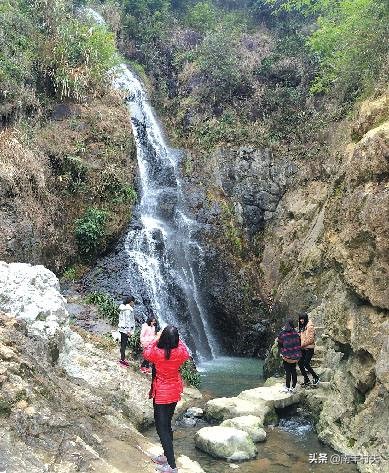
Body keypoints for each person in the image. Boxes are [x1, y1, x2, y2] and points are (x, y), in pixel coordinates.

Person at [143, 325, 190, 473]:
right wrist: (176, 339)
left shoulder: (157, 353)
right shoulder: (180, 352)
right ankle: (166, 456)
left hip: (162, 393)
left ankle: (172, 466)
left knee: (161, 427)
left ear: (163, 338)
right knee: (167, 425)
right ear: (176, 340)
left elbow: (146, 353)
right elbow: (185, 351)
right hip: (175, 391)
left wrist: (156, 339)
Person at [277, 319, 302, 393]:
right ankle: (293, 387)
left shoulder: (282, 333)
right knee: (293, 370)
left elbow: (280, 344)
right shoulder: (296, 333)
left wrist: (281, 352)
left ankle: (287, 387)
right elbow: (299, 343)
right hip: (295, 356)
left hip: (287, 356)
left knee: (288, 371)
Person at [298, 313, 320, 387]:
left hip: (309, 348)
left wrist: (301, 345)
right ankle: (306, 379)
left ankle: (316, 377)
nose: (301, 320)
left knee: (306, 364)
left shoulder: (310, 327)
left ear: (306, 319)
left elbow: (311, 339)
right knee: (300, 363)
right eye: (300, 319)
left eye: (302, 319)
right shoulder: (302, 326)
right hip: (303, 348)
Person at [118, 296, 136, 367]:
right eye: (133, 302)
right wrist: (128, 331)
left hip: (122, 328)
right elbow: (128, 321)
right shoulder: (128, 310)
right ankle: (122, 360)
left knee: (123, 344)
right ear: (131, 302)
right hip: (125, 330)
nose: (134, 304)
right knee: (124, 344)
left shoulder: (123, 308)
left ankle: (122, 358)